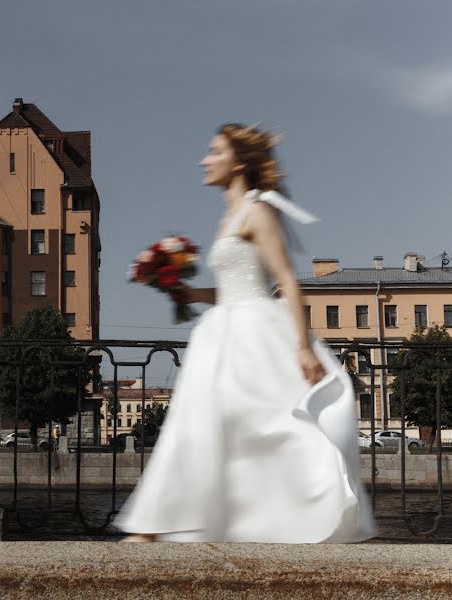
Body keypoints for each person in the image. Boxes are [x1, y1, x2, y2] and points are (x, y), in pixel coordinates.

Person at [116, 123, 374, 543]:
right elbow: (231, 288)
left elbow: (287, 280)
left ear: (238, 162)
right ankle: (169, 524)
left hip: (253, 330)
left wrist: (303, 347)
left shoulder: (258, 211)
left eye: (215, 151)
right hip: (223, 330)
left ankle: (161, 527)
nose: (205, 159)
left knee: (257, 426)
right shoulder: (229, 216)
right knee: (206, 424)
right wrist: (184, 290)